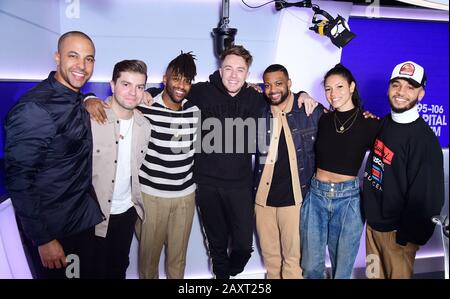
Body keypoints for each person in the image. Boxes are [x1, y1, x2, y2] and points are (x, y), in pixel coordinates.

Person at [85, 45, 316, 279]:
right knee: (213, 249)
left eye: (240, 69)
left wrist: (303, 95)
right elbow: (168, 89)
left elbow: (280, 94)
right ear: (220, 69)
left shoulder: (255, 97)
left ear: (247, 73)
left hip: (239, 185)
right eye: (228, 68)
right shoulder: (199, 92)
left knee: (243, 247)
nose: (233, 75)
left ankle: (233, 270)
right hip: (204, 186)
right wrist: (90, 97)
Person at [4, 31, 103, 279]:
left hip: (81, 221)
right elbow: (18, 180)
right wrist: (44, 239)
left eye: (89, 59)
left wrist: (90, 97)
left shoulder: (75, 97)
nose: (82, 66)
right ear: (57, 57)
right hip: (56, 233)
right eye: (74, 56)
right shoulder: (35, 108)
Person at [363, 61, 444, 279]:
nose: (401, 92)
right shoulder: (385, 123)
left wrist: (406, 237)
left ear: (421, 94)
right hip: (373, 229)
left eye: (410, 87)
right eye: (396, 85)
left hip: (398, 236)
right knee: (372, 277)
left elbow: (428, 197)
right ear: (388, 88)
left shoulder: (424, 141)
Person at [300, 64, 379, 279]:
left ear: (352, 87)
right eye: (328, 89)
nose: (333, 94)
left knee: (342, 270)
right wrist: (303, 94)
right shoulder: (322, 118)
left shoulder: (369, 123)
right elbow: (294, 100)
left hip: (348, 201)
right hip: (316, 196)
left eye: (339, 86)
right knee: (310, 266)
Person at [254, 64, 323, 279]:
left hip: (295, 200)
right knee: (271, 261)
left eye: (278, 83)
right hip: (263, 201)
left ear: (289, 84)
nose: (272, 89)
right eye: (267, 85)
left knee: (294, 263)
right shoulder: (260, 111)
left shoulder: (310, 111)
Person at [134, 52, 199, 279]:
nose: (181, 85)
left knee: (177, 261)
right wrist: (89, 97)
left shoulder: (195, 111)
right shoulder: (145, 107)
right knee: (148, 263)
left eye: (187, 80)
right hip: (151, 197)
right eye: (176, 78)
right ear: (165, 79)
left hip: (185, 198)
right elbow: (112, 103)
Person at [91, 59, 151, 279]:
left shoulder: (145, 126)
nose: (133, 92)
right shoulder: (91, 118)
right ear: (112, 84)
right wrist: (87, 98)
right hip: (92, 216)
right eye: (126, 84)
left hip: (126, 212)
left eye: (139, 86)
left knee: (119, 269)